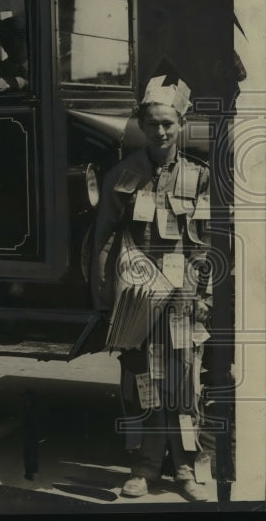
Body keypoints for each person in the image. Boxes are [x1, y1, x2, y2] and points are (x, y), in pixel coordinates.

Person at [92, 72, 212, 503]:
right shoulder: (122, 175)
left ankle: (185, 471)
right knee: (142, 381)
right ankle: (142, 470)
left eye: (169, 123)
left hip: (182, 301)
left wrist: (205, 298)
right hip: (137, 301)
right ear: (142, 126)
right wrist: (107, 300)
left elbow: (209, 245)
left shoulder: (199, 177)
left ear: (181, 123)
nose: (161, 131)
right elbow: (104, 240)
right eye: (153, 123)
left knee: (182, 386)